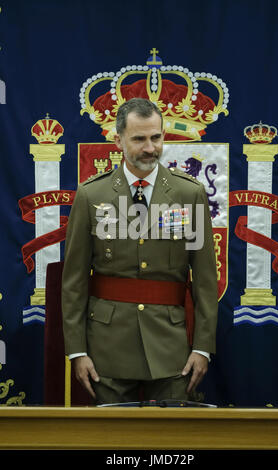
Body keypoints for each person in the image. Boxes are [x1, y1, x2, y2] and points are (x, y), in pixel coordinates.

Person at [62, 98, 218, 405]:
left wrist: (202, 348)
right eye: (139, 139)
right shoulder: (91, 194)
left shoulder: (190, 193)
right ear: (117, 140)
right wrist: (77, 351)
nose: (150, 148)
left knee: (171, 443)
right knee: (110, 442)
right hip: (107, 348)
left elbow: (204, 279)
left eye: (156, 137)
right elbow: (74, 281)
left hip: (171, 349)